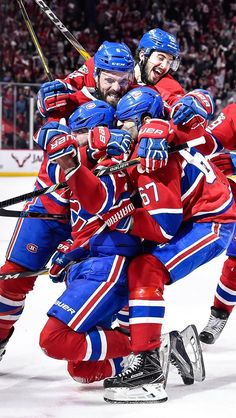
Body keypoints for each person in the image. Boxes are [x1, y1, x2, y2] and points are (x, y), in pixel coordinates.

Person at [0, 95, 130, 361]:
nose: (116, 85)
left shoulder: (117, 154)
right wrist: (87, 143)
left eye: (122, 78)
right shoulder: (77, 93)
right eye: (110, 77)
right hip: (48, 213)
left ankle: (137, 343)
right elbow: (53, 145)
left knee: (110, 280)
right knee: (12, 279)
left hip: (87, 227)